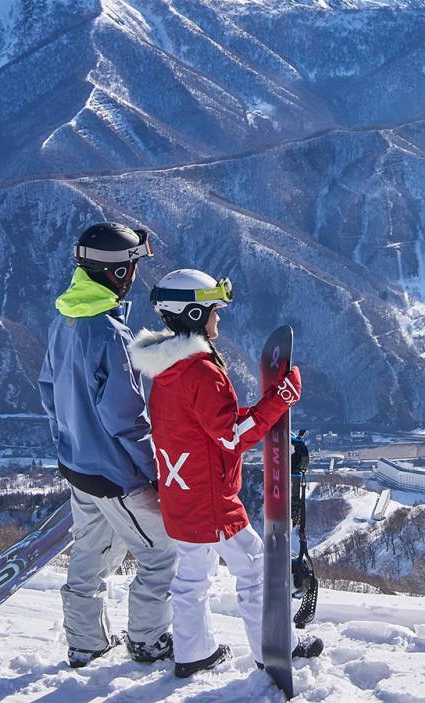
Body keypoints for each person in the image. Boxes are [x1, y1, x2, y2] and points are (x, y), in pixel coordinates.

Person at [128, 269, 323, 677]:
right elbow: (231, 436)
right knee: (257, 570)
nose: (220, 319)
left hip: (179, 494)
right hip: (210, 499)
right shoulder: (199, 371)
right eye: (214, 310)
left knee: (192, 577)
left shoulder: (165, 370)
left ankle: (193, 652)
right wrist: (280, 399)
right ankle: (275, 647)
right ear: (195, 314)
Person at [38, 222, 179, 668]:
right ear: (116, 273)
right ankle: (148, 641)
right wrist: (155, 474)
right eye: (133, 266)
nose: (136, 274)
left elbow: (48, 389)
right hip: (119, 476)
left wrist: (71, 442)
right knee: (162, 556)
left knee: (90, 557)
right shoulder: (110, 334)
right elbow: (127, 417)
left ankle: (85, 644)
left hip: (79, 466)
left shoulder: (66, 318)